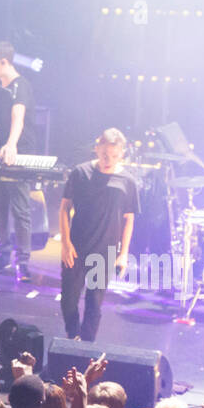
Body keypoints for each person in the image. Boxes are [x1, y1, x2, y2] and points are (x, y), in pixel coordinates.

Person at [59, 128, 140, 342]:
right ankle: (73, 336)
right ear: (97, 149)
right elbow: (64, 208)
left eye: (114, 155)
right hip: (76, 247)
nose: (108, 160)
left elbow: (129, 219)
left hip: (105, 252)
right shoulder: (80, 173)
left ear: (121, 154)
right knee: (68, 299)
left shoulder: (127, 181)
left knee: (94, 303)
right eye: (104, 154)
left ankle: (86, 345)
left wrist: (123, 254)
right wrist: (66, 243)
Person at [0, 40, 37, 281]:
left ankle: (22, 262)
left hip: (18, 153)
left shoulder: (21, 86)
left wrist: (12, 144)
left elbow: (18, 117)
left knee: (20, 210)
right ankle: (3, 255)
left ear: (4, 62)